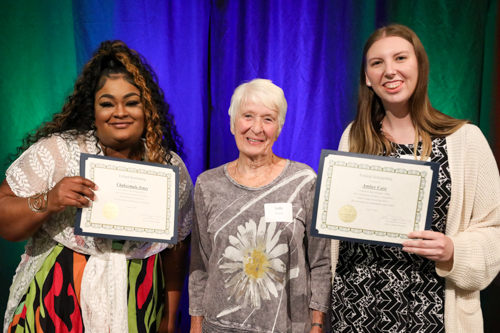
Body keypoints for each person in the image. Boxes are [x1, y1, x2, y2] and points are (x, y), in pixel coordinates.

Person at [0, 40, 193, 333]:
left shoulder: (168, 166)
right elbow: (4, 219)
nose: (120, 112)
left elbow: (177, 248)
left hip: (138, 306)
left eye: (131, 102)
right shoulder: (59, 153)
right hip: (58, 301)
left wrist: (168, 318)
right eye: (107, 103)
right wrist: (49, 199)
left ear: (147, 107)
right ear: (93, 109)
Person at [331, 24, 500, 332]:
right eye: (377, 63)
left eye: (400, 58)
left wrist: (452, 251)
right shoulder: (353, 137)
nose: (389, 71)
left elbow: (493, 230)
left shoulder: (466, 140)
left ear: (420, 66)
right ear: (367, 78)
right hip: (357, 310)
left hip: (432, 315)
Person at [188, 79, 331, 332]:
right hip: (219, 327)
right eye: (247, 116)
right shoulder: (207, 185)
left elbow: (320, 262)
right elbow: (200, 266)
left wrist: (317, 324)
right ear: (233, 123)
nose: (256, 128)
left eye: (268, 119)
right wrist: (196, 325)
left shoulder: (303, 181)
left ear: (278, 128)